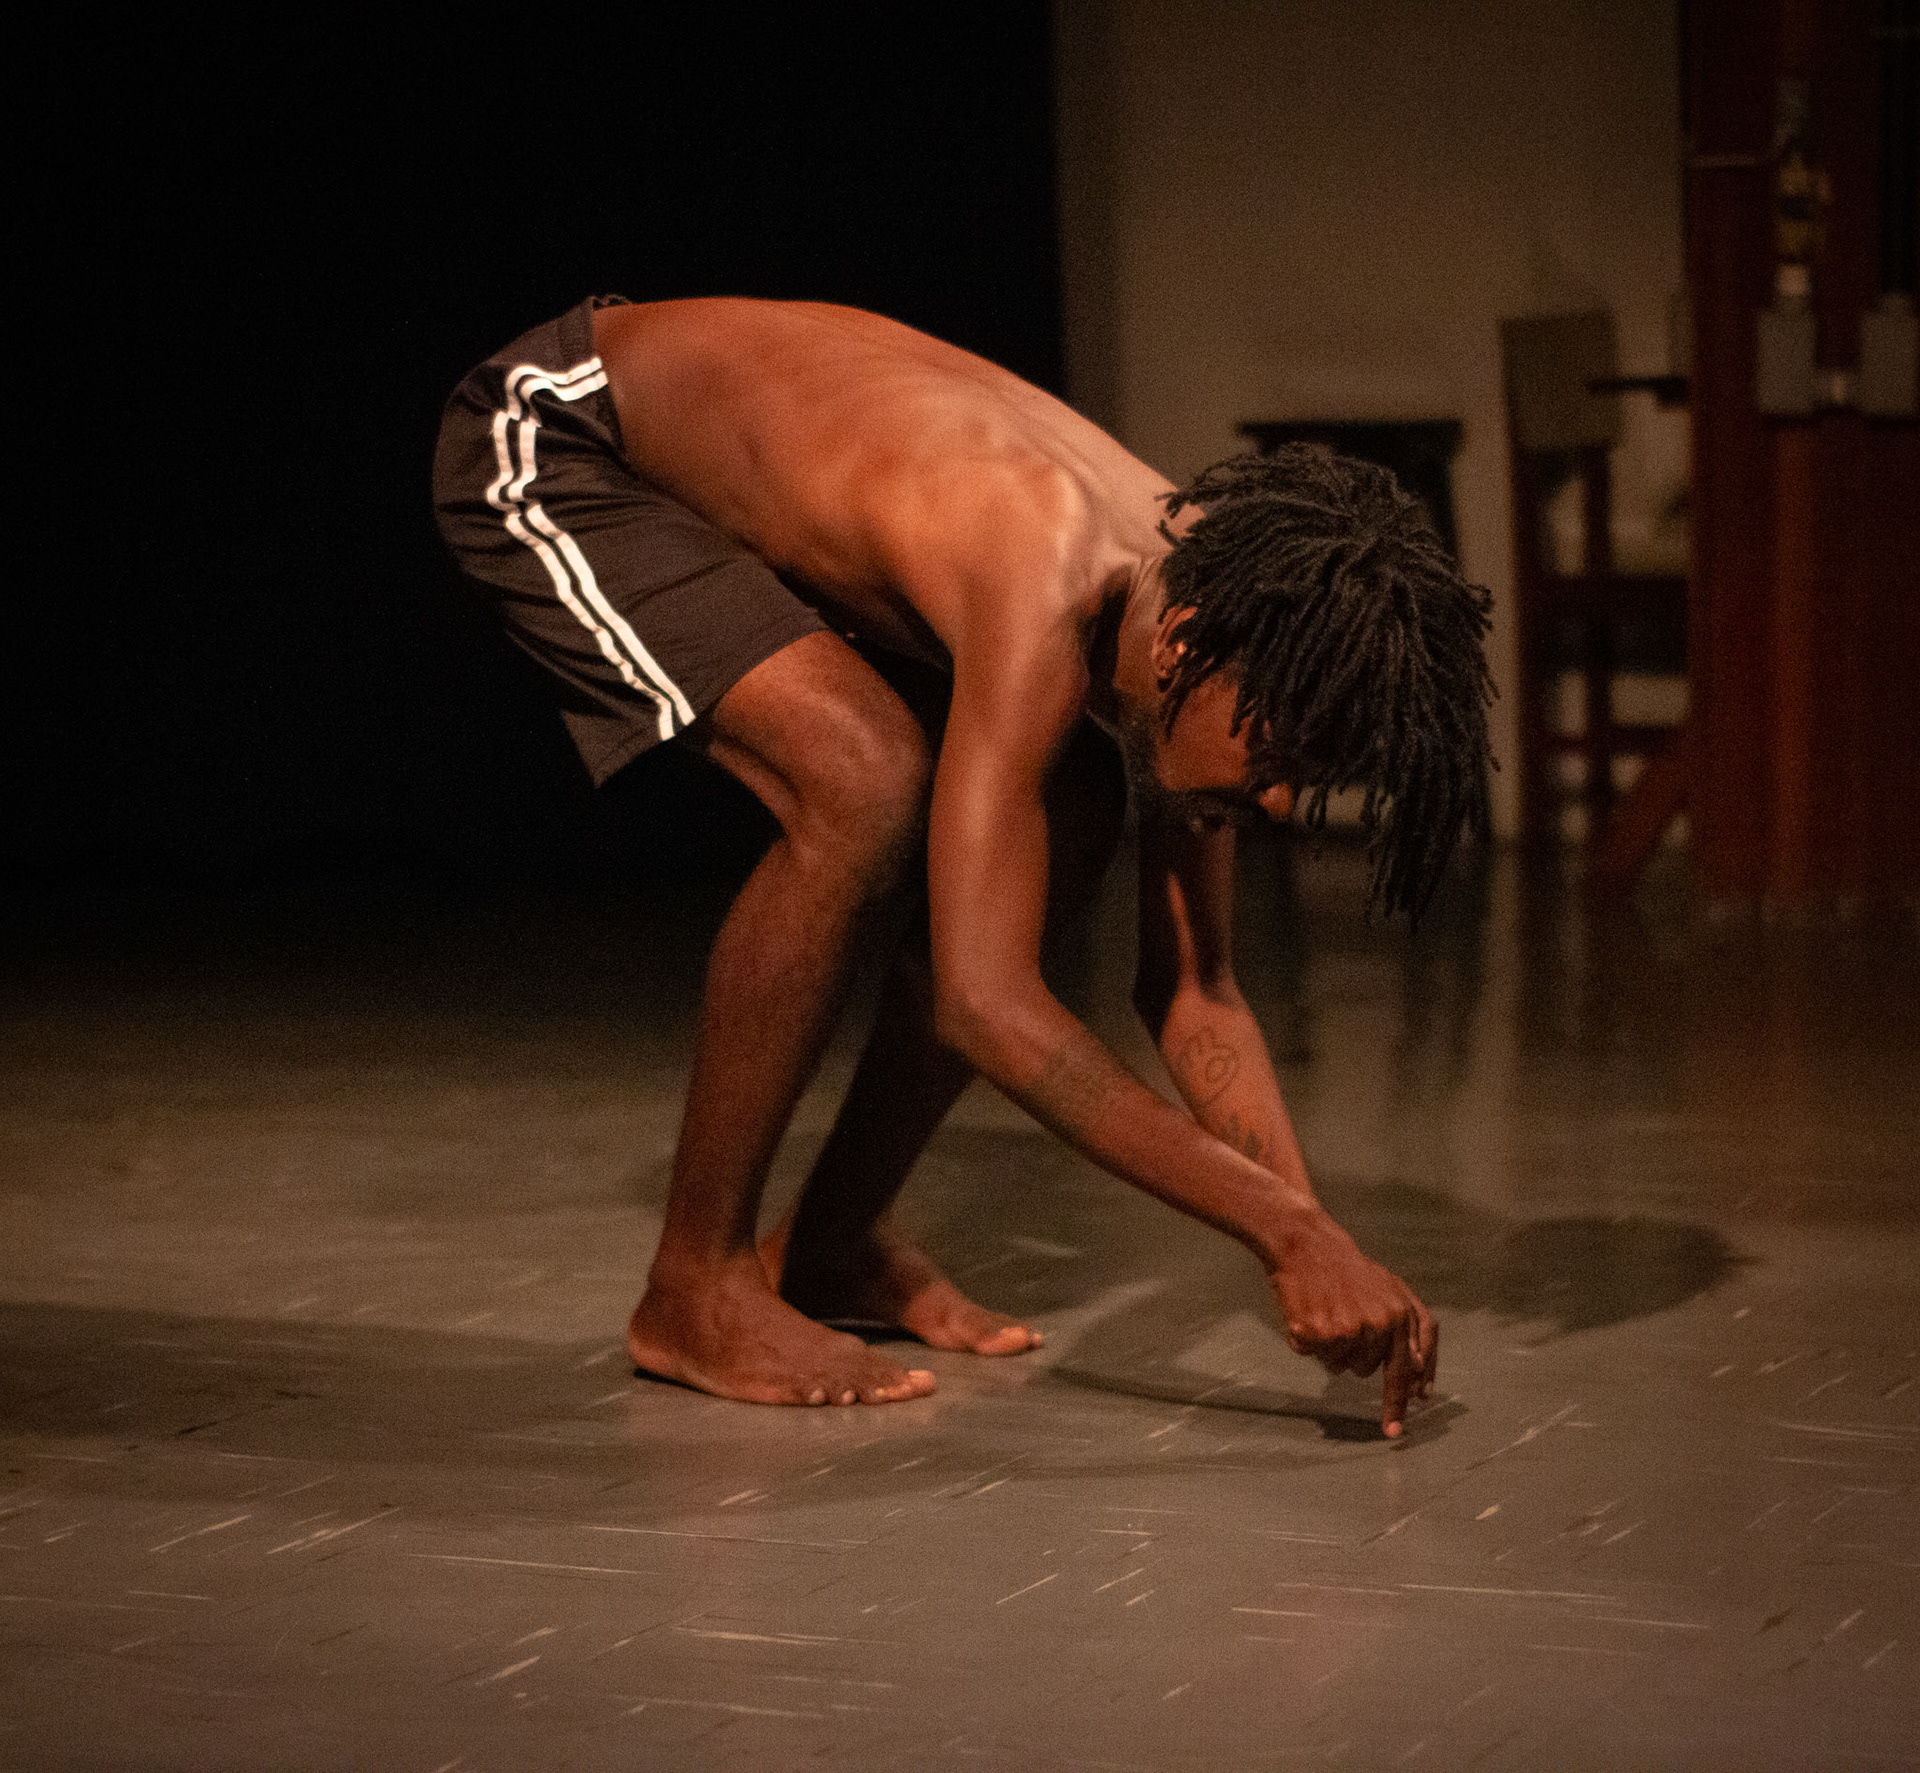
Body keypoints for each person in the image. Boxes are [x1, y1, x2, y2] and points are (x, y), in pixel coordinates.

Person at [434, 295, 1492, 1437]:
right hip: (559, 429)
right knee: (862, 780)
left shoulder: (1227, 611)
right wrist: (1287, 1234)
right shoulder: (1045, 564)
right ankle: (694, 1285)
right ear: (1185, 652)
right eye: (1277, 757)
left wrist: (1323, 1241)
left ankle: (833, 1241)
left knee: (1075, 808)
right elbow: (987, 1008)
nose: (1277, 801)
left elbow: (1195, 988)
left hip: (747, 471)